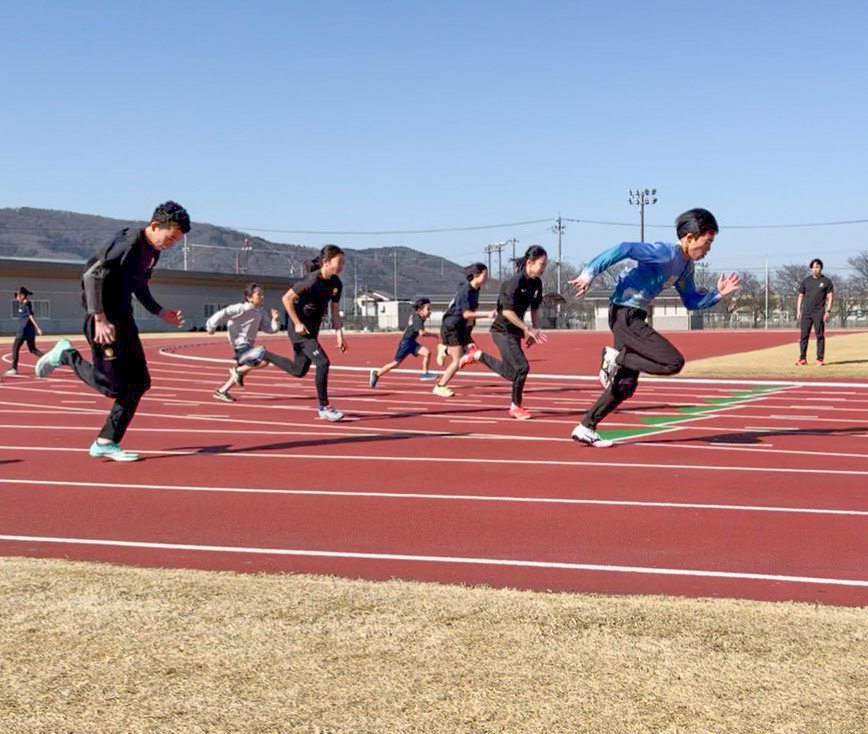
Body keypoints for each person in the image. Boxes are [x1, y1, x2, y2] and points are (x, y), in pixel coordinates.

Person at [568, 208, 740, 447]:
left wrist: (718, 294)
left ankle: (586, 426)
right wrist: (588, 274)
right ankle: (617, 358)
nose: (708, 249)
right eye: (707, 242)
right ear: (689, 237)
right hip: (624, 314)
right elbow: (624, 248)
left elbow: (691, 301)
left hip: (634, 316)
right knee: (673, 362)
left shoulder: (686, 267)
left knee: (625, 385)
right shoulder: (665, 253)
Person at [35, 201, 191, 461]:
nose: (171, 244)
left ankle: (105, 441)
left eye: (176, 241)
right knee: (111, 387)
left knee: (140, 382)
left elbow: (139, 285)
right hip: (102, 319)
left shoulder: (152, 252)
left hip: (123, 317)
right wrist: (99, 318)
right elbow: (92, 276)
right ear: (154, 226)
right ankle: (65, 355)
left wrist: (159, 312)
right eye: (170, 237)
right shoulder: (129, 244)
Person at [459, 246, 548, 419]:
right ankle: (515, 407)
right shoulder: (513, 283)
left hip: (514, 332)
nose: (544, 269)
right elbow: (507, 312)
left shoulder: (536, 283)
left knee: (513, 373)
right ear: (530, 263)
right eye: (542, 264)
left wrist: (535, 330)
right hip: (502, 331)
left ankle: (477, 355)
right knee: (522, 367)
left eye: (546, 265)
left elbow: (535, 308)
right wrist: (527, 329)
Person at [281, 245, 348, 421]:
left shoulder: (336, 283)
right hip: (300, 331)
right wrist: (296, 323)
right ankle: (324, 406)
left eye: (343, 263)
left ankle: (264, 355)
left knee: (299, 370)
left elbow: (334, 312)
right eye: (339, 262)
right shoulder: (311, 280)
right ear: (325, 262)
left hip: (313, 329)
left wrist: (339, 335)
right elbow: (286, 299)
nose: (341, 266)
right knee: (323, 363)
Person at [206, 283, 282, 402]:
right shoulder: (239, 309)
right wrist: (211, 327)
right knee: (264, 358)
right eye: (259, 295)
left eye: (263, 295)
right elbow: (221, 314)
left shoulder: (261, 312)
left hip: (248, 345)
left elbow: (269, 329)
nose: (262, 297)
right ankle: (237, 371)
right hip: (241, 345)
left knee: (244, 371)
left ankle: (222, 391)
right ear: (249, 297)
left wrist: (275, 320)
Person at [433, 263, 494, 398]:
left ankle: (445, 350)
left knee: (472, 354)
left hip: (462, 327)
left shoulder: (475, 289)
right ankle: (440, 386)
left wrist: (469, 332)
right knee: (458, 360)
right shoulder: (466, 290)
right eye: (485, 274)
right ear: (476, 275)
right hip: (452, 326)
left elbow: (470, 314)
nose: (487, 277)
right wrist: (487, 314)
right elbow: (466, 314)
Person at [369, 297, 436, 387]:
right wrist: (433, 335)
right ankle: (376, 374)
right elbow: (422, 333)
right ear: (421, 310)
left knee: (427, 352)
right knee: (395, 364)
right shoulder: (418, 319)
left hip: (412, 342)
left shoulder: (420, 317)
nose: (430, 311)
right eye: (428, 309)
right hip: (406, 343)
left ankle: (425, 373)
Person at [796, 258, 834, 366]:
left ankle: (820, 359)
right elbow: (801, 295)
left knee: (820, 336)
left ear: (821, 268)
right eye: (813, 267)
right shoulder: (806, 281)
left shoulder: (826, 282)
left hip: (819, 312)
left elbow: (830, 297)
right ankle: (802, 358)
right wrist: (798, 310)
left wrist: (828, 311)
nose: (815, 269)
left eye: (817, 267)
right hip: (807, 312)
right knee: (804, 336)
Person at [6, 287, 44, 374]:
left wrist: (38, 328)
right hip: (29, 331)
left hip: (23, 331)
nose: (16, 298)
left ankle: (14, 368)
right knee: (32, 349)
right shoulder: (24, 304)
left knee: (15, 347)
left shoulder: (26, 305)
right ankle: (47, 359)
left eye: (17, 295)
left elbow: (30, 316)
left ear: (22, 296)